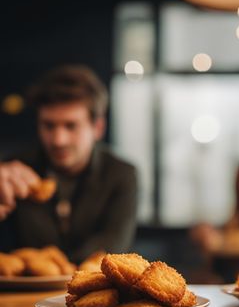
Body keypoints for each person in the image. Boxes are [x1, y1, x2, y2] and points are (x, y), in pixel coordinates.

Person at [0, 65, 137, 262]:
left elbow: (113, 245)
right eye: (49, 125)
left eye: (71, 126)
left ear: (97, 127)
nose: (58, 140)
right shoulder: (13, 171)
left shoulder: (121, 174)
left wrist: (59, 270)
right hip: (25, 292)